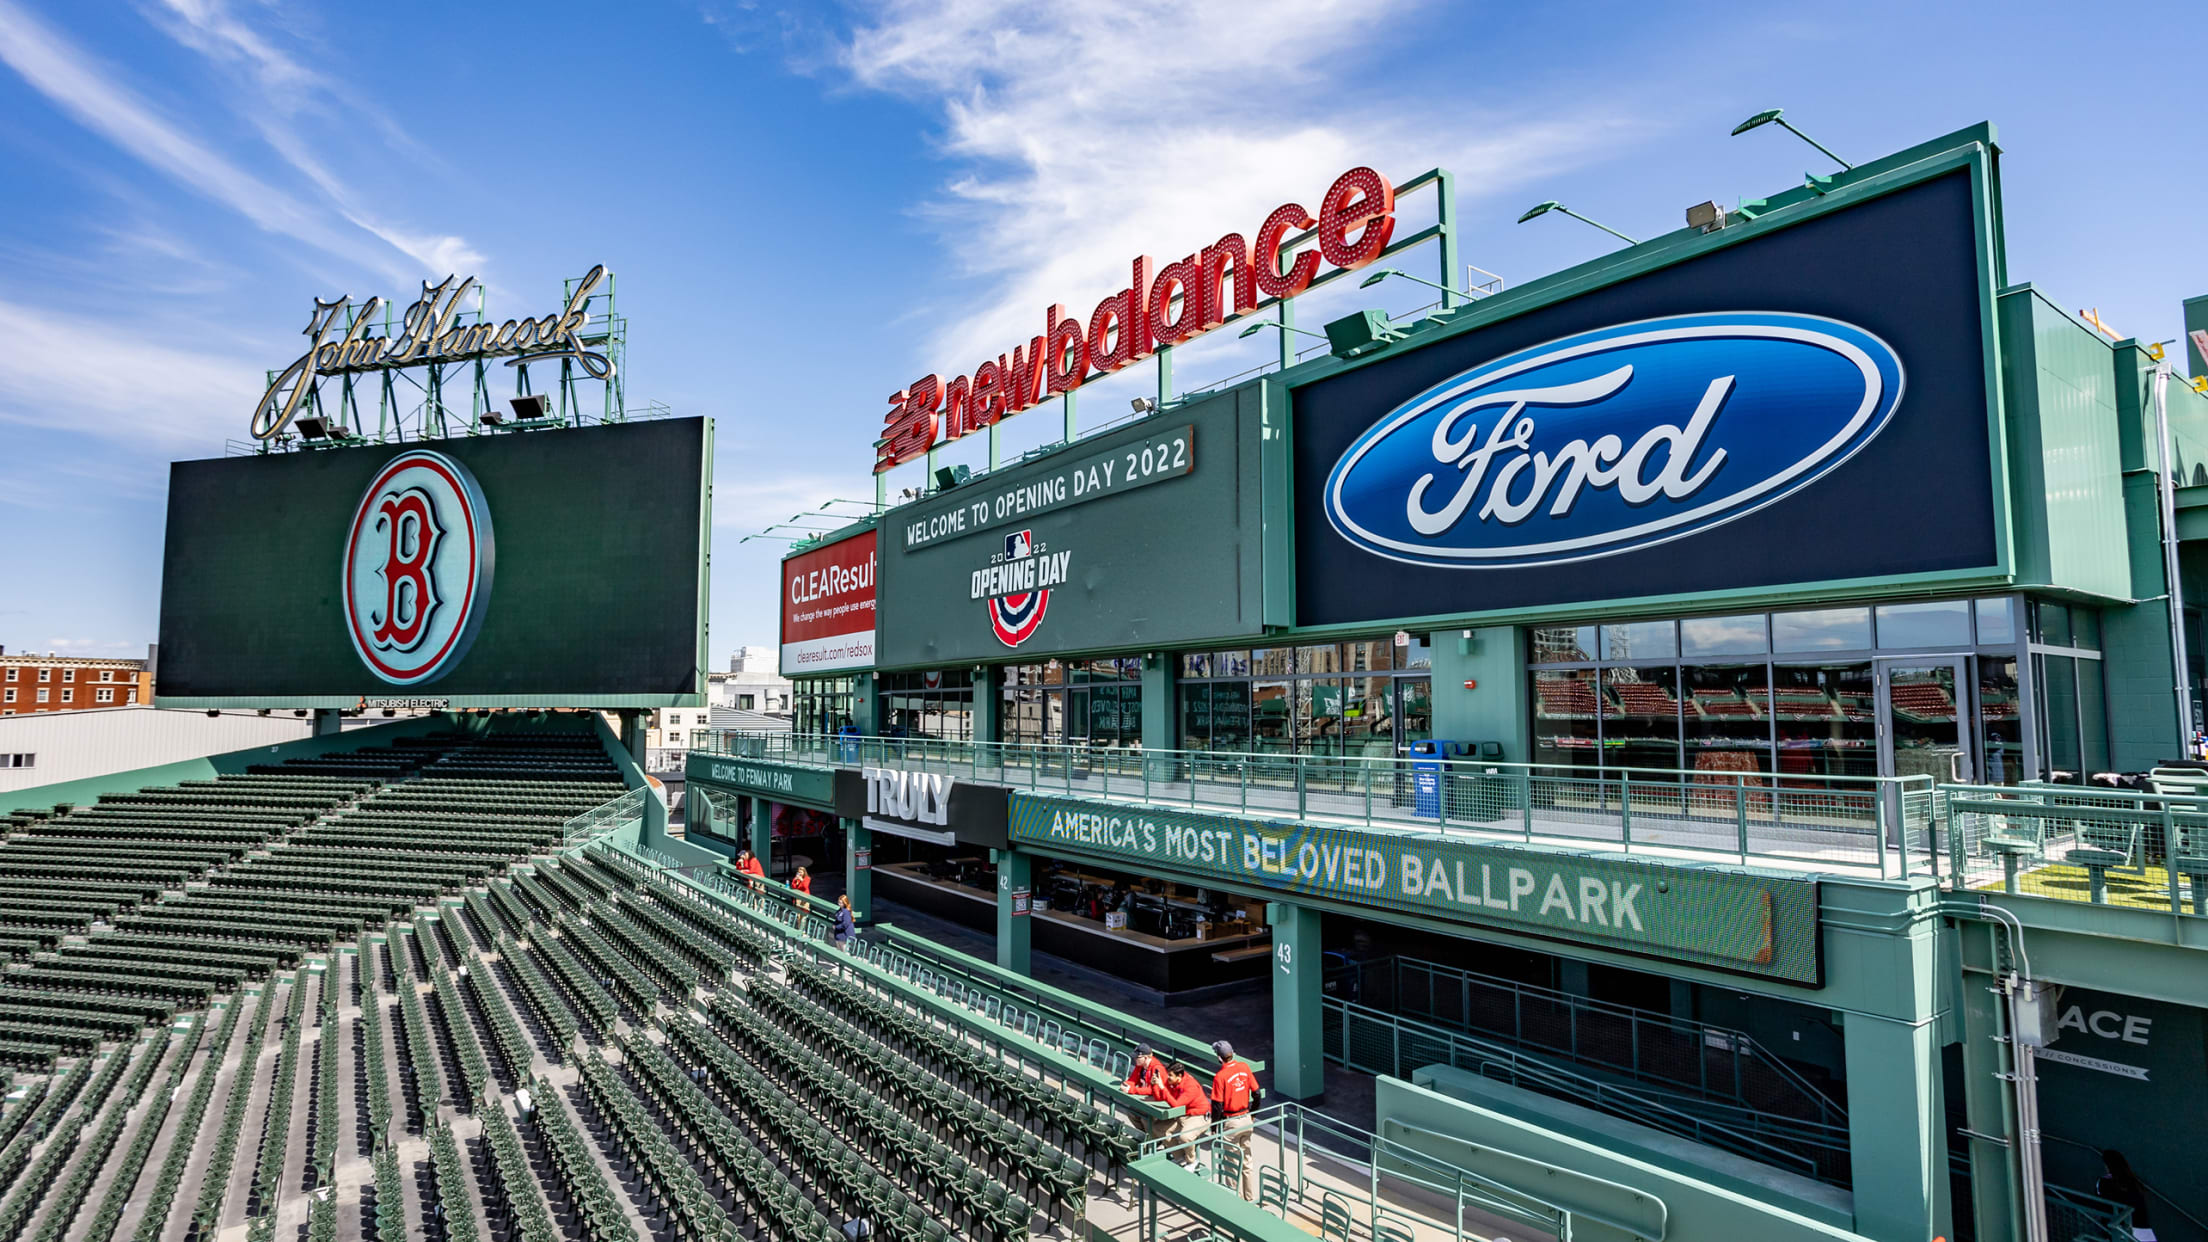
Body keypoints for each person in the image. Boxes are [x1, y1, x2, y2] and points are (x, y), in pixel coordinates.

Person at [1210, 1040, 1259, 1200]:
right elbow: (1257, 1094)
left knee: (1231, 1165)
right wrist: (1252, 1115)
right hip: (1246, 1119)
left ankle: (1235, 1201)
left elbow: (1217, 1105)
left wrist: (1214, 1126)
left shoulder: (1220, 1076)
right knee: (1246, 1162)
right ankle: (1249, 1198)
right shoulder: (1244, 1067)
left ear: (1219, 1057)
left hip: (1231, 1122)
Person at [1159, 1061, 1210, 1164]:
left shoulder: (1190, 1086)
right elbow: (1162, 1096)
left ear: (1179, 1076)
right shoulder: (1175, 1081)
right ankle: (1180, 1157)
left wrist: (1162, 1087)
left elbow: (1176, 1105)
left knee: (1185, 1137)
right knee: (1159, 1129)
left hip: (1199, 1115)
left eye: (1170, 1075)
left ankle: (1192, 1161)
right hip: (1184, 1113)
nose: (1167, 1077)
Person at [2097, 1150, 2155, 1241]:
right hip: (2144, 1229)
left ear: (2108, 1165)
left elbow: (2102, 1204)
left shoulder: (2104, 1182)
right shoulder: (2133, 1180)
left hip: (2126, 1230)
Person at [1120, 1046, 1169, 1141]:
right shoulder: (1140, 1066)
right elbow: (1133, 1079)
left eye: (1137, 1057)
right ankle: (1144, 1138)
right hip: (1148, 1099)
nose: (1135, 1059)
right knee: (1131, 1112)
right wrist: (1126, 1085)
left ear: (1146, 1058)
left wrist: (1132, 1090)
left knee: (1145, 1119)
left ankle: (1154, 1141)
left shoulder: (1157, 1069)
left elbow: (1153, 1090)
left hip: (1159, 1101)